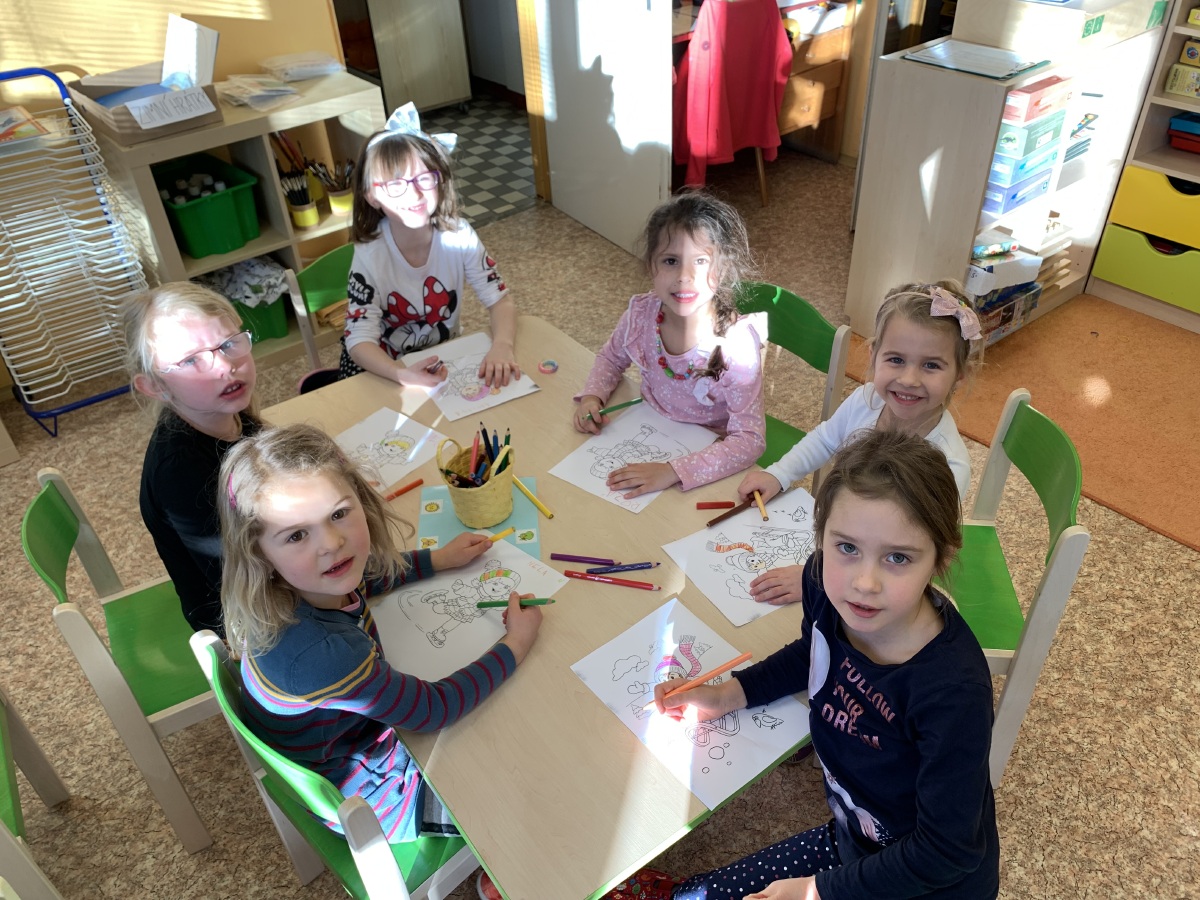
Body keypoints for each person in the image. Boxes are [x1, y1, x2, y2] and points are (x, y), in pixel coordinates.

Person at [653, 429, 999, 900]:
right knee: (691, 897)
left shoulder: (952, 691)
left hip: (924, 886)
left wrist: (816, 892)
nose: (864, 583)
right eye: (847, 548)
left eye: (898, 557)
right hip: (854, 844)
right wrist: (727, 695)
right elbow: (813, 653)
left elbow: (947, 852)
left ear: (941, 558)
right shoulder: (821, 582)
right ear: (821, 536)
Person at [218, 423, 542, 842]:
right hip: (381, 799)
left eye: (338, 514)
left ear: (362, 500)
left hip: (353, 746)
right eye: (297, 534)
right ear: (258, 553)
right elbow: (434, 710)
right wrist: (517, 642)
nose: (331, 543)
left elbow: (363, 576)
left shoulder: (289, 586)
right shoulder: (322, 654)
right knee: (528, 791)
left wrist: (438, 559)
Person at [738, 280, 982, 606]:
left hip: (872, 582)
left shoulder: (948, 465)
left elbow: (908, 554)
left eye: (931, 365)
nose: (909, 379)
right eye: (896, 359)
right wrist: (778, 474)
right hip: (837, 538)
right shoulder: (865, 400)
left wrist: (817, 577)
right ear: (873, 354)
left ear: (960, 374)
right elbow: (825, 440)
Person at [572, 190, 766, 497]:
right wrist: (592, 397)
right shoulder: (641, 314)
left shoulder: (736, 345)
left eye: (700, 261)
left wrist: (673, 471)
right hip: (648, 429)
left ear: (723, 268)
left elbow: (749, 441)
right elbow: (611, 359)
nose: (684, 277)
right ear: (651, 265)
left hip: (707, 453)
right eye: (671, 261)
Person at [340, 102, 519, 389]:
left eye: (424, 178)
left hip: (441, 356)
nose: (413, 194)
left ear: (439, 180)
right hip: (384, 366)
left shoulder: (459, 236)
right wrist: (401, 374)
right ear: (372, 196)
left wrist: (502, 345)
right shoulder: (370, 254)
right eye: (395, 185)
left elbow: (500, 301)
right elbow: (359, 339)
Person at [123, 282, 260, 635]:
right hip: (242, 618)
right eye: (189, 360)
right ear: (156, 386)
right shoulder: (179, 472)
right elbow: (241, 577)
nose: (225, 366)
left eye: (228, 344)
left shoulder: (226, 412)